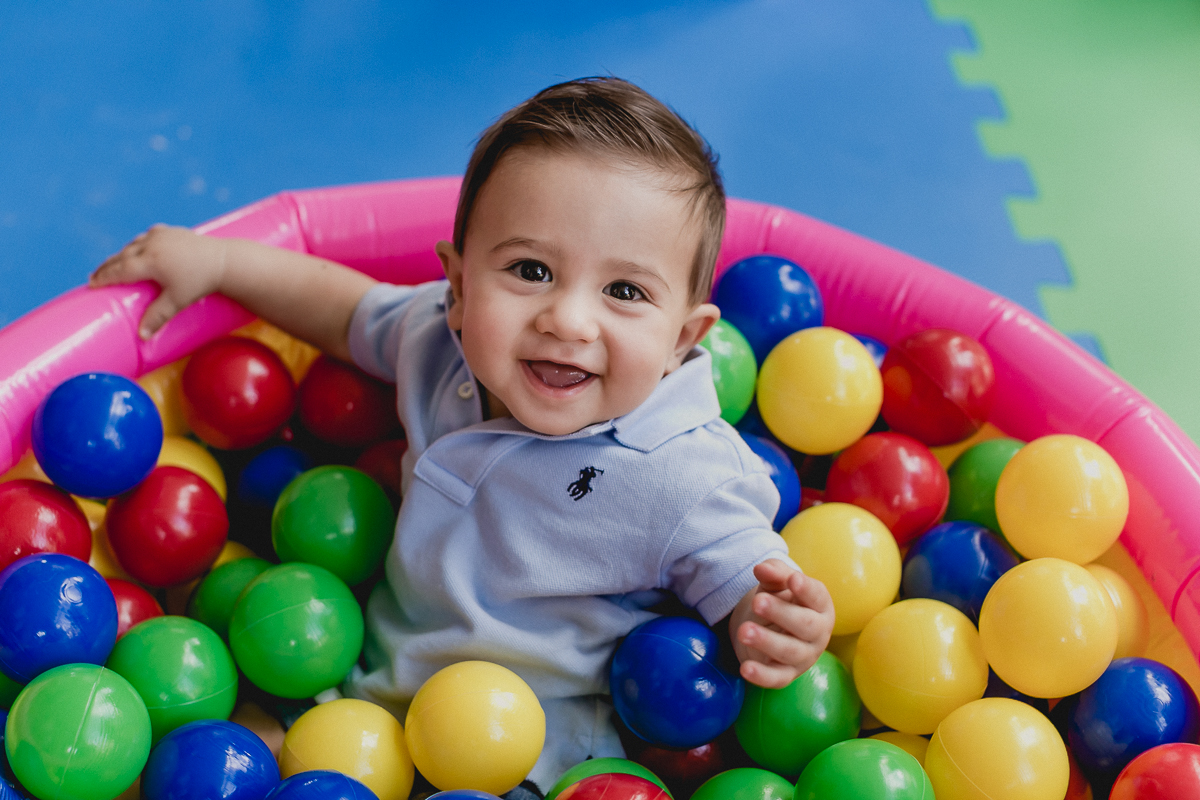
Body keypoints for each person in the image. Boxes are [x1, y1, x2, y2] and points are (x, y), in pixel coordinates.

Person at [90, 77, 835, 798]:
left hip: (529, 759)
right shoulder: (439, 346)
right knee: (222, 759)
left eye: (625, 291)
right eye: (532, 270)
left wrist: (778, 624)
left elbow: (749, 574)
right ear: (458, 288)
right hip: (362, 701)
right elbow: (341, 306)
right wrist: (221, 262)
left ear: (684, 338)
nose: (569, 321)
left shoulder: (683, 468)